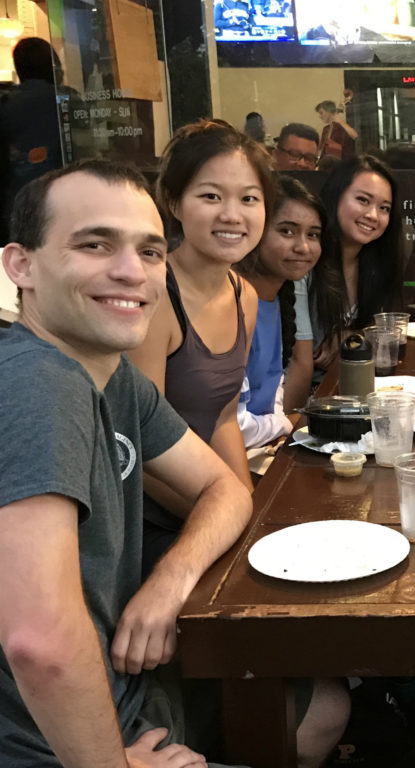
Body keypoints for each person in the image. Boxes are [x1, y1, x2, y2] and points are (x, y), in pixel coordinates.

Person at [0, 159, 255, 766]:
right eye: (95, 244)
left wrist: (166, 584)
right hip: (17, 747)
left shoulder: (110, 375)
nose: (131, 272)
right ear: (21, 265)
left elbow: (224, 490)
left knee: (319, 708)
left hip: (119, 699)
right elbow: (40, 644)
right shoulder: (28, 384)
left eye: (150, 252)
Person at [129, 119, 267, 569]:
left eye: (249, 198)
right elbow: (139, 444)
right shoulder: (153, 296)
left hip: (209, 502)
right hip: (146, 520)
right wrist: (224, 519)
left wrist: (243, 504)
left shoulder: (243, 294)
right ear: (174, 202)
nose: (232, 214)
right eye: (211, 196)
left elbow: (224, 417)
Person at [235, 176, 330, 448]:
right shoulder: (233, 302)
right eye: (287, 231)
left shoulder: (276, 299)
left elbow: (271, 390)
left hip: (263, 444)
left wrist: (282, 423)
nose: (303, 247)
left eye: (313, 235)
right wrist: (288, 425)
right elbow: (229, 422)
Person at [0, 37, 64, 230]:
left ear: (20, 68)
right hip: (66, 198)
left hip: (20, 201)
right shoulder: (68, 98)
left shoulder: (4, 103)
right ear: (53, 66)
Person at [316, 154, 402, 352]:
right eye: (363, 200)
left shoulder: (377, 264)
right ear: (335, 197)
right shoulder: (307, 260)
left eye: (384, 208)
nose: (373, 215)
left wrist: (353, 336)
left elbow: (385, 331)